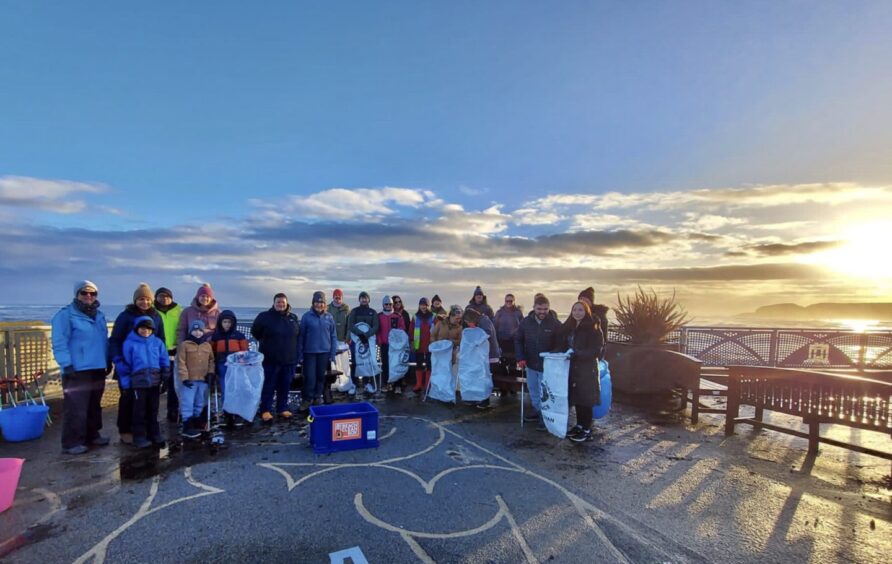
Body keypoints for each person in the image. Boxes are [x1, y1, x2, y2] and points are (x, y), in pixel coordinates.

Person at [51, 280, 111, 455]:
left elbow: (104, 341)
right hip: (77, 369)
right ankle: (71, 442)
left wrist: (107, 360)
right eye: (84, 293)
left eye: (92, 294)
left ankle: (92, 435)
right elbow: (59, 342)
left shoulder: (99, 315)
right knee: (76, 407)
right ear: (77, 294)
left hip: (97, 366)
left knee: (94, 404)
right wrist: (66, 364)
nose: (88, 296)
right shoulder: (65, 315)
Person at [109, 283, 165, 444]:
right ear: (135, 300)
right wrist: (118, 360)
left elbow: (160, 339)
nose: (144, 302)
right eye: (141, 299)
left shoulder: (156, 316)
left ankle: (147, 431)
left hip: (150, 367)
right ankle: (126, 430)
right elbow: (115, 340)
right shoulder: (126, 316)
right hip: (128, 366)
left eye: (147, 299)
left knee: (149, 402)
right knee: (128, 400)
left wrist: (162, 364)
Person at [117, 316, 170, 448]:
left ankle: (155, 433)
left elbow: (164, 359)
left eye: (149, 329)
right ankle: (139, 436)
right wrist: (126, 384)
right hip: (138, 382)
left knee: (153, 409)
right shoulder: (130, 343)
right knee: (139, 410)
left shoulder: (157, 343)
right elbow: (125, 366)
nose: (145, 331)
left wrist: (165, 374)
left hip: (154, 380)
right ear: (137, 328)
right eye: (142, 328)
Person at [556, 301, 604, 443]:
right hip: (573, 368)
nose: (577, 312)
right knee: (577, 398)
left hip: (587, 369)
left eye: (580, 310)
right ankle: (579, 425)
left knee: (586, 399)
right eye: (575, 310)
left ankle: (586, 429)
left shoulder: (594, 328)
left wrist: (578, 353)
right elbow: (564, 343)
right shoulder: (570, 327)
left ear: (586, 311)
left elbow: (596, 350)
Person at [251, 293, 301, 422]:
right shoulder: (264, 317)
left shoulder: (293, 317)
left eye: (283, 302)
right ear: (274, 303)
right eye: (278, 302)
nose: (281, 304)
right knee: (269, 385)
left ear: (287, 303)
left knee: (285, 385)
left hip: (289, 360)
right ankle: (265, 410)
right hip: (270, 359)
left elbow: (297, 335)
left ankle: (282, 408)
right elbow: (255, 332)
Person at [515, 293, 561, 430]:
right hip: (530, 363)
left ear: (549, 308)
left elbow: (561, 343)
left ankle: (545, 417)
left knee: (545, 393)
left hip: (547, 366)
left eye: (545, 309)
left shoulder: (555, 323)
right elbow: (518, 339)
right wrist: (520, 357)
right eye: (539, 309)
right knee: (533, 390)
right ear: (534, 307)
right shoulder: (526, 322)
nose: (542, 312)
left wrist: (553, 356)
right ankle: (537, 411)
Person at [299, 291, 338, 409]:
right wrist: (300, 354)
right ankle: (307, 399)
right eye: (317, 302)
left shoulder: (329, 317)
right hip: (309, 353)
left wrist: (332, 354)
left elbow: (333, 336)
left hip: (324, 353)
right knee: (310, 378)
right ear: (313, 303)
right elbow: (301, 336)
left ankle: (317, 398)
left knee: (321, 378)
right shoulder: (306, 317)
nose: (319, 305)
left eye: (321, 302)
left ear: (325, 304)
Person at [176, 320, 216, 439]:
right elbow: (181, 362)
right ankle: (187, 424)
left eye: (200, 330)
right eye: (195, 330)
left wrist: (210, 373)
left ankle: (197, 421)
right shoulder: (185, 345)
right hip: (190, 381)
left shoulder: (207, 345)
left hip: (203, 379)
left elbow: (211, 360)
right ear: (190, 331)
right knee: (188, 402)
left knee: (200, 401)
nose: (197, 333)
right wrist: (184, 378)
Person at [211, 310, 249, 425]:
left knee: (236, 389)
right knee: (225, 391)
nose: (227, 324)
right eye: (224, 322)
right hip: (222, 367)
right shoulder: (216, 336)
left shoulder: (239, 336)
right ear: (220, 323)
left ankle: (238, 413)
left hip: (236, 367)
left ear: (233, 323)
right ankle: (227, 413)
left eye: (229, 322)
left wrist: (243, 364)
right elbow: (212, 352)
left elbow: (245, 352)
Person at [460, 308, 501, 408]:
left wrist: (473, 342)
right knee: (479, 376)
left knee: (485, 376)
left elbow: (486, 334)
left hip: (490, 355)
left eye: (468, 322)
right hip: (482, 355)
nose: (469, 324)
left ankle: (485, 399)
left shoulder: (484, 321)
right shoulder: (481, 321)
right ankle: (476, 397)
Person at [153, 287, 182, 422]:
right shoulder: (151, 311)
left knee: (173, 385)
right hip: (156, 352)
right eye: (161, 296)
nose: (164, 299)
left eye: (167, 296)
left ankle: (173, 413)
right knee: (155, 385)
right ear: (156, 297)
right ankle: (152, 416)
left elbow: (183, 328)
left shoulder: (178, 310)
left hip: (174, 351)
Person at [346, 291, 380, 394]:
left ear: (369, 300)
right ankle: (353, 384)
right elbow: (350, 325)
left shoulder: (373, 312)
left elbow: (376, 326)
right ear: (359, 299)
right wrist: (360, 335)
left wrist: (367, 335)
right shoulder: (354, 311)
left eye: (365, 298)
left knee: (367, 362)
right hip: (356, 342)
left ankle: (367, 383)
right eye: (362, 298)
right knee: (356, 362)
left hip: (368, 341)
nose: (364, 299)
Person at [494, 293, 524, 394]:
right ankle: (503, 389)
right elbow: (495, 326)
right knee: (502, 364)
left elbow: (522, 326)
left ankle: (513, 388)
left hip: (514, 342)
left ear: (514, 301)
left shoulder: (518, 312)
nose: (509, 303)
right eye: (507, 301)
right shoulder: (499, 312)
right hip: (502, 341)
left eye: (510, 301)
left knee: (513, 365)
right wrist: (496, 341)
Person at [377, 295, 408, 395]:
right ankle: (387, 383)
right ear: (383, 305)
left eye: (390, 304)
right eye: (386, 304)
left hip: (396, 347)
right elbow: (377, 330)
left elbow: (402, 329)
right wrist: (379, 341)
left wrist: (398, 341)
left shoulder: (397, 316)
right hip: (385, 345)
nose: (388, 306)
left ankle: (397, 385)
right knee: (385, 365)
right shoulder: (379, 316)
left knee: (396, 365)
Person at [577, 287, 609, 359]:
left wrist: (600, 354)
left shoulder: (600, 316)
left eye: (585, 300)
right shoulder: (579, 314)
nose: (583, 302)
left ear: (591, 302)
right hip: (581, 352)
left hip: (594, 353)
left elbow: (603, 337)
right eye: (580, 300)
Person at [411, 297, 434, 393]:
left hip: (430, 346)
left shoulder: (433, 317)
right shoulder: (415, 317)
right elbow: (411, 330)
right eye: (422, 305)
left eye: (425, 305)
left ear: (428, 306)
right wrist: (411, 342)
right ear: (419, 306)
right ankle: (418, 384)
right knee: (419, 365)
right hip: (418, 346)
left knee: (430, 365)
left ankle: (427, 384)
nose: (423, 306)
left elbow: (437, 330)